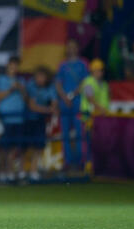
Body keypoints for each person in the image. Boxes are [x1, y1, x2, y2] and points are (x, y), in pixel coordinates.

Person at [55, 39, 89, 171]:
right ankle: (67, 161)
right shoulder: (62, 65)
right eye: (69, 47)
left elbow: (86, 82)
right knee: (65, 133)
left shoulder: (83, 64)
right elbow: (58, 83)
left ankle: (82, 161)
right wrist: (64, 97)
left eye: (74, 46)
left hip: (78, 102)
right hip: (65, 103)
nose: (72, 49)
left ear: (78, 48)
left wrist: (73, 95)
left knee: (80, 132)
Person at [0, 56, 27, 182]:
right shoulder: (2, 80)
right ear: (8, 66)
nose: (13, 68)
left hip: (19, 118)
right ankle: (3, 171)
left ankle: (12, 171)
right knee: (4, 148)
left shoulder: (21, 81)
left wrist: (21, 89)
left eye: (15, 66)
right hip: (5, 119)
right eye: (11, 65)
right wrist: (11, 89)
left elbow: (26, 99)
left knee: (15, 148)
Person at [25, 66, 59, 181]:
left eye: (42, 77)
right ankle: (22, 170)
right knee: (24, 146)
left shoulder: (50, 87)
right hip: (28, 119)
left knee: (39, 146)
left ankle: (33, 170)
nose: (39, 79)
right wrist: (49, 110)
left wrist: (51, 108)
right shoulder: (31, 86)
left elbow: (54, 103)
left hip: (40, 121)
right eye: (38, 76)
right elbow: (32, 106)